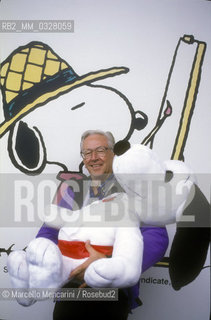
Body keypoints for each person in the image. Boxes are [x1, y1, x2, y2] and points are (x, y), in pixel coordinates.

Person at [37, 129, 169, 320]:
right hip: (70, 288)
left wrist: (108, 262)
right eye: (87, 153)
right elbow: (47, 232)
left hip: (110, 291)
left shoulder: (134, 190)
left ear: (113, 153)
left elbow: (156, 237)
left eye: (100, 150)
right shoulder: (71, 190)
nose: (93, 158)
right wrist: (59, 262)